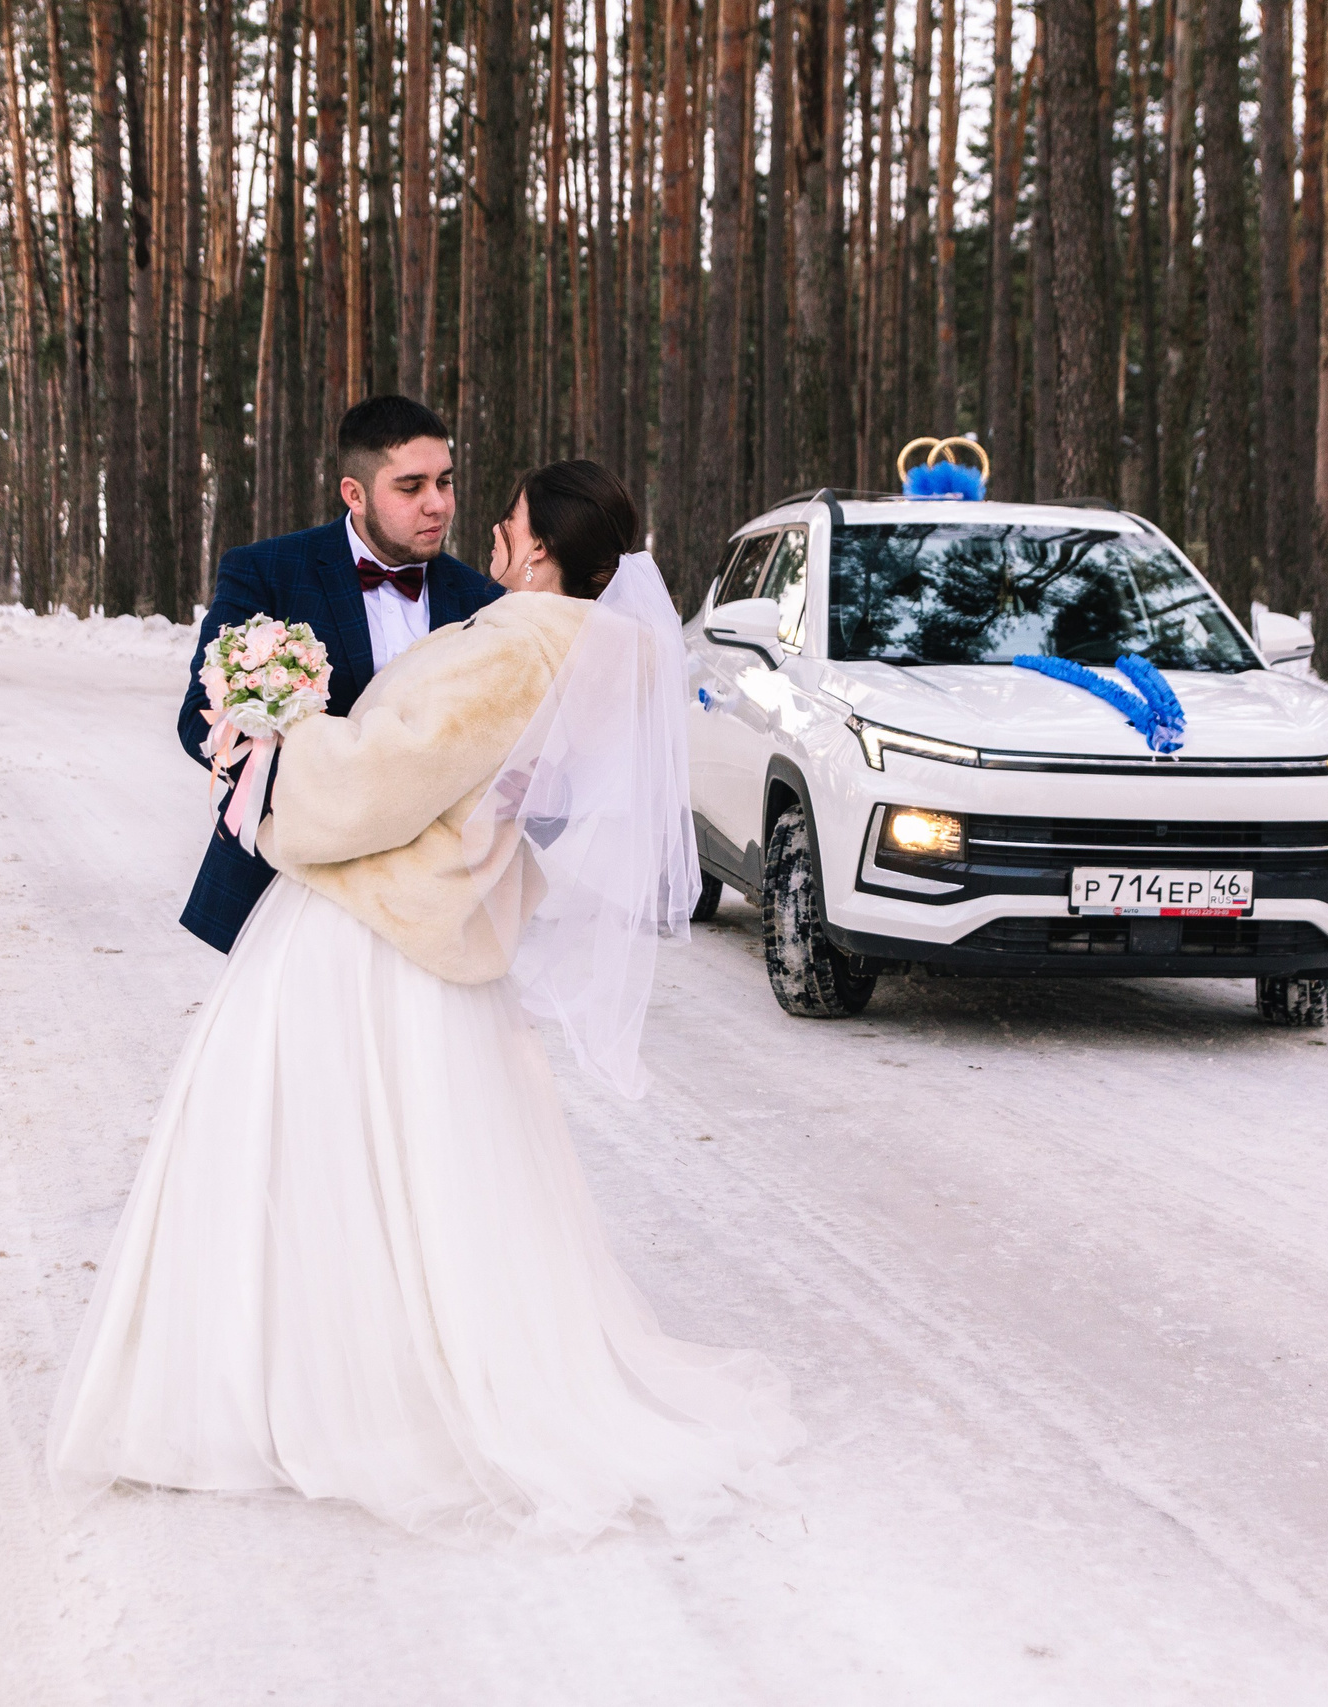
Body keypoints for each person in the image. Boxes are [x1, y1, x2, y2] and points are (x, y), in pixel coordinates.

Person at [51, 460, 797, 1544]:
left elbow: (385, 775)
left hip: (381, 931)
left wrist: (273, 752)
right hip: (440, 926)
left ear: (538, 551)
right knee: (429, 1171)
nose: (483, 532)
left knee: (314, 1160)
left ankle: (331, 1389)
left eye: (503, 522)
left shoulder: (517, 644)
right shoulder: (584, 652)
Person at [175, 394, 502, 954]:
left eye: (444, 482)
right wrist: (324, 804)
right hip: (295, 888)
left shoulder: (483, 599)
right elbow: (202, 723)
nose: (438, 505)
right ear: (354, 493)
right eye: (411, 486)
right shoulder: (266, 572)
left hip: (434, 902)